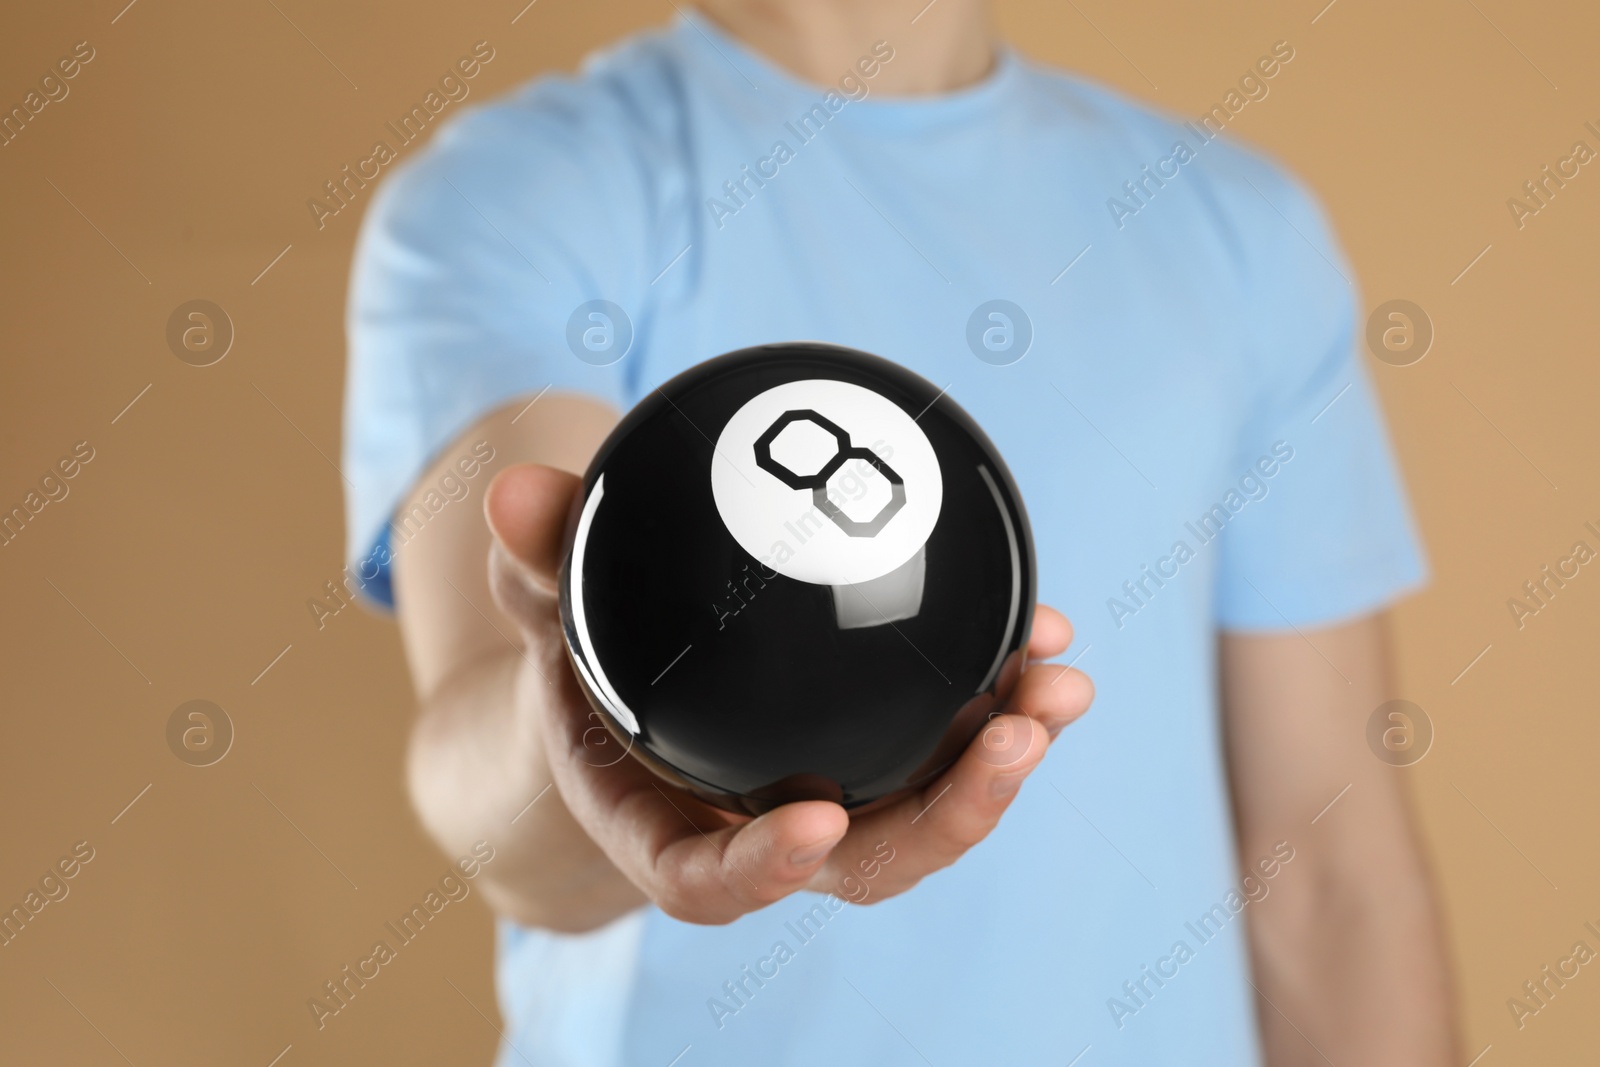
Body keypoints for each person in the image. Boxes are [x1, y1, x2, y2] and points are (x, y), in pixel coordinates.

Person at [342, 1, 1458, 1063]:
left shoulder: (1240, 231)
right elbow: (489, 785)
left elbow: (1325, 859)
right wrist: (593, 730)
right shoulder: (524, 190)